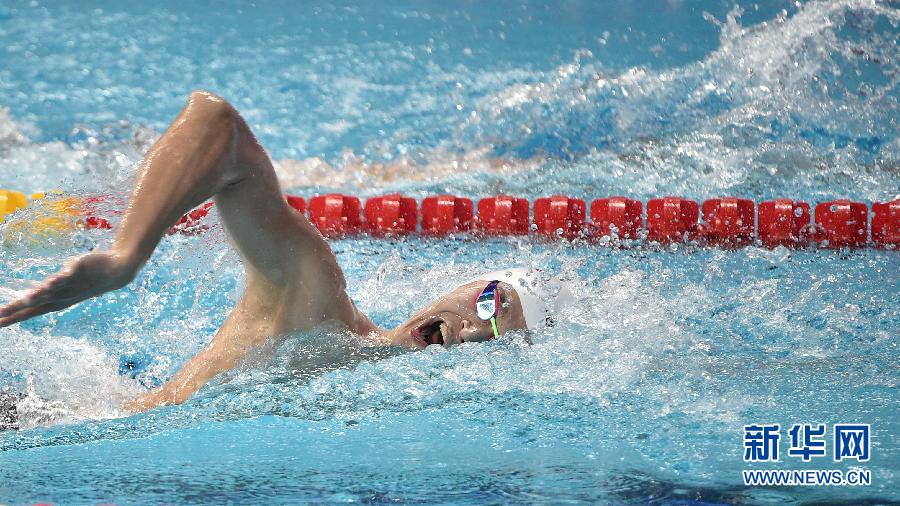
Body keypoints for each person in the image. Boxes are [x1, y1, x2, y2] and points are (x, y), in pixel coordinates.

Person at [0, 91, 571, 413]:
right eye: (493, 305)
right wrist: (126, 258)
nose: (472, 332)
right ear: (468, 286)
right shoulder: (319, 302)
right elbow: (216, 124)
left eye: (495, 339)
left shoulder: (372, 405)